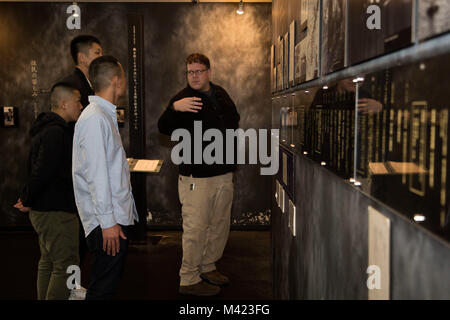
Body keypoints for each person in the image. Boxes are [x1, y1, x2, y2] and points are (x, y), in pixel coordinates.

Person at [158, 53, 240, 296]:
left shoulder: (221, 93)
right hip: (196, 177)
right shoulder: (182, 99)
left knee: (219, 225)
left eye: (198, 71)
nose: (194, 76)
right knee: (195, 229)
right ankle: (189, 278)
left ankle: (208, 265)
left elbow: (234, 121)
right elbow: (163, 127)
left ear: (209, 72)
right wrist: (174, 109)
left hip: (223, 173)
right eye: (190, 72)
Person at [72, 55, 139, 300]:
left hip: (111, 219)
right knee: (103, 290)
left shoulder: (101, 115)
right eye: (123, 78)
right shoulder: (95, 118)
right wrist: (109, 222)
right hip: (106, 223)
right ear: (116, 81)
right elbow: (96, 176)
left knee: (106, 286)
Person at [13, 83, 83, 300]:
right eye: (78, 101)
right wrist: (26, 197)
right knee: (66, 265)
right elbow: (42, 172)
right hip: (56, 212)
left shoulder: (46, 128)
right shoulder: (56, 133)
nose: (81, 106)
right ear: (64, 103)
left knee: (49, 262)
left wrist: (28, 197)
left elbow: (38, 170)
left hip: (45, 210)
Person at [61, 35, 103, 109]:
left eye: (101, 53)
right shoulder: (71, 85)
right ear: (82, 57)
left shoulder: (92, 83)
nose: (101, 57)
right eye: (97, 53)